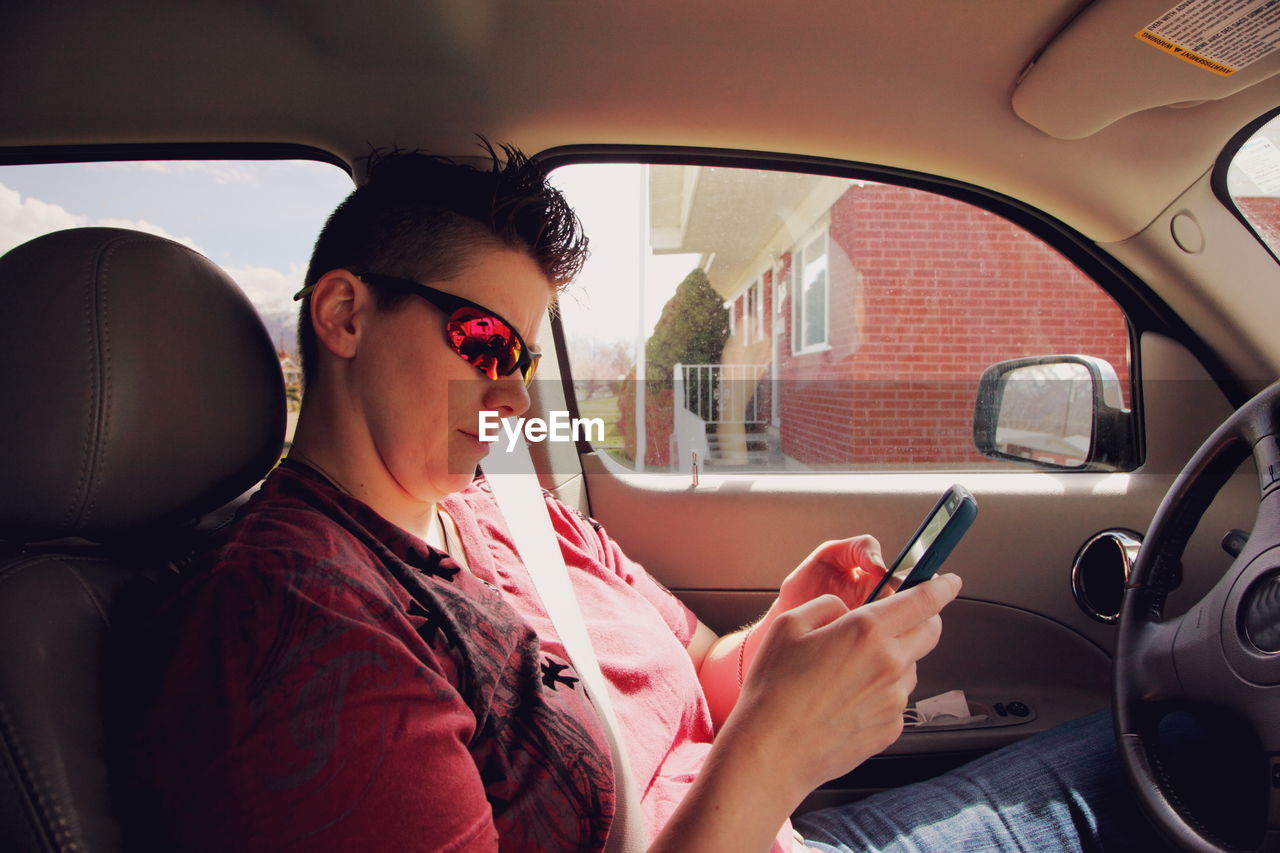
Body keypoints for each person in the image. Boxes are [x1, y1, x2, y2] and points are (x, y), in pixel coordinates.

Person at [135, 145, 1168, 852]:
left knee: (1165, 741)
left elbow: (699, 673)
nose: (509, 393)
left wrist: (774, 637)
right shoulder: (304, 621)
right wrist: (769, 757)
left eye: (523, 356)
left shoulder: (504, 509)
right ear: (346, 315)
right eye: (483, 343)